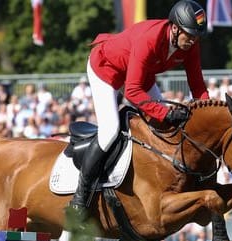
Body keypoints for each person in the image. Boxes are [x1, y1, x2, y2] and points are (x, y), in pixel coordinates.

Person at [69, 0, 209, 212]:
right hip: (106, 69)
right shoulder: (150, 39)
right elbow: (133, 92)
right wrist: (166, 112)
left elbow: (197, 86)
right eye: (189, 35)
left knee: (166, 127)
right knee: (110, 131)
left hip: (139, 74)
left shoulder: (190, 44)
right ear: (174, 27)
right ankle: (80, 196)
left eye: (195, 36)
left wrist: (211, 112)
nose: (192, 41)